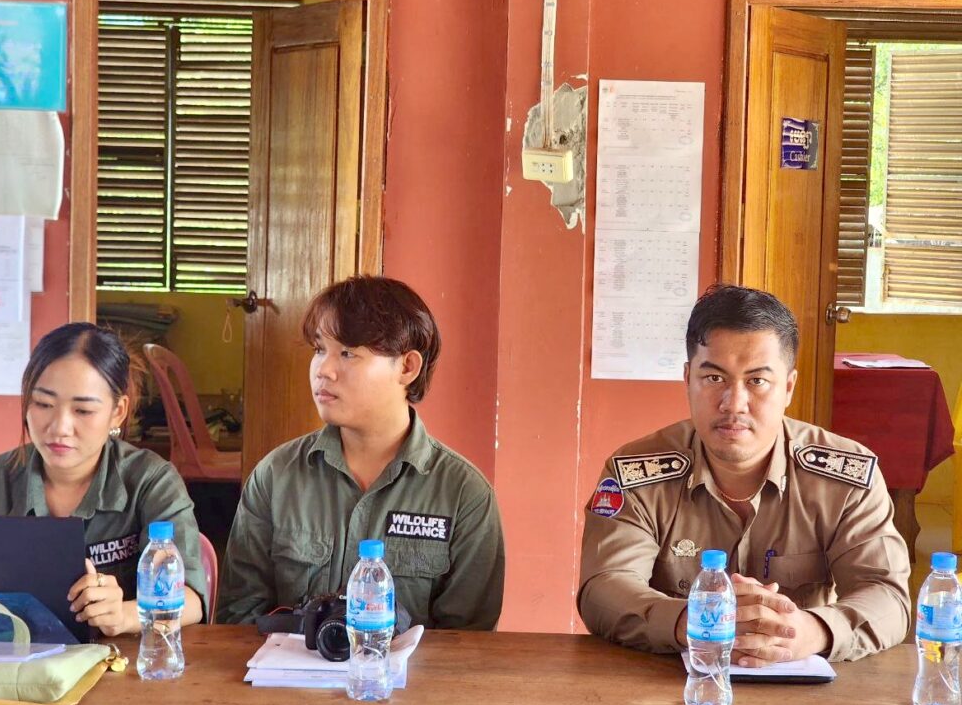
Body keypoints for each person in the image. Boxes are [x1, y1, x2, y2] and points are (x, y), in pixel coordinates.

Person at [578, 284, 910, 665]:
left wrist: (809, 632)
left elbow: (888, 596)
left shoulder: (845, 477)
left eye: (757, 381)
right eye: (714, 378)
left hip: (803, 682)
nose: (733, 404)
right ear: (687, 379)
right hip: (673, 682)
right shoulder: (637, 473)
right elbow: (603, 587)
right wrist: (691, 622)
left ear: (788, 387)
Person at [216, 276, 504, 629]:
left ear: (407, 367)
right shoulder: (276, 476)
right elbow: (238, 619)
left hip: (412, 670)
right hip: (286, 667)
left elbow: (469, 644)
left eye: (348, 353)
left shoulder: (463, 494)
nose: (323, 370)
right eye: (319, 349)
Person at [0, 323, 206, 636]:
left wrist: (123, 616)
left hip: (119, 657)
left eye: (83, 410)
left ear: (118, 411)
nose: (60, 427)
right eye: (43, 404)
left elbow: (191, 600)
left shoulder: (150, 481)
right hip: (4, 655)